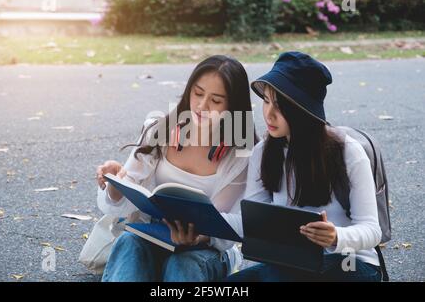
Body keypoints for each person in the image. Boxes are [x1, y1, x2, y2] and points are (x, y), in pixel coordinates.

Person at [224, 52, 382, 282]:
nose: (269, 114)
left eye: (280, 106)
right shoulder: (264, 152)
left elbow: (371, 231)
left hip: (351, 263)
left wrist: (335, 236)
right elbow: (252, 221)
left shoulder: (348, 151)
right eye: (266, 101)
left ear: (303, 109)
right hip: (292, 263)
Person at [95, 55, 256, 282]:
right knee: (128, 242)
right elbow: (120, 206)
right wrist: (114, 183)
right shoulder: (160, 128)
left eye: (216, 100)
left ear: (233, 106)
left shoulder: (240, 153)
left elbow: (233, 224)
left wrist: (200, 238)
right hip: (152, 233)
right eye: (198, 93)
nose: (202, 106)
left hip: (206, 249)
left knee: (183, 263)